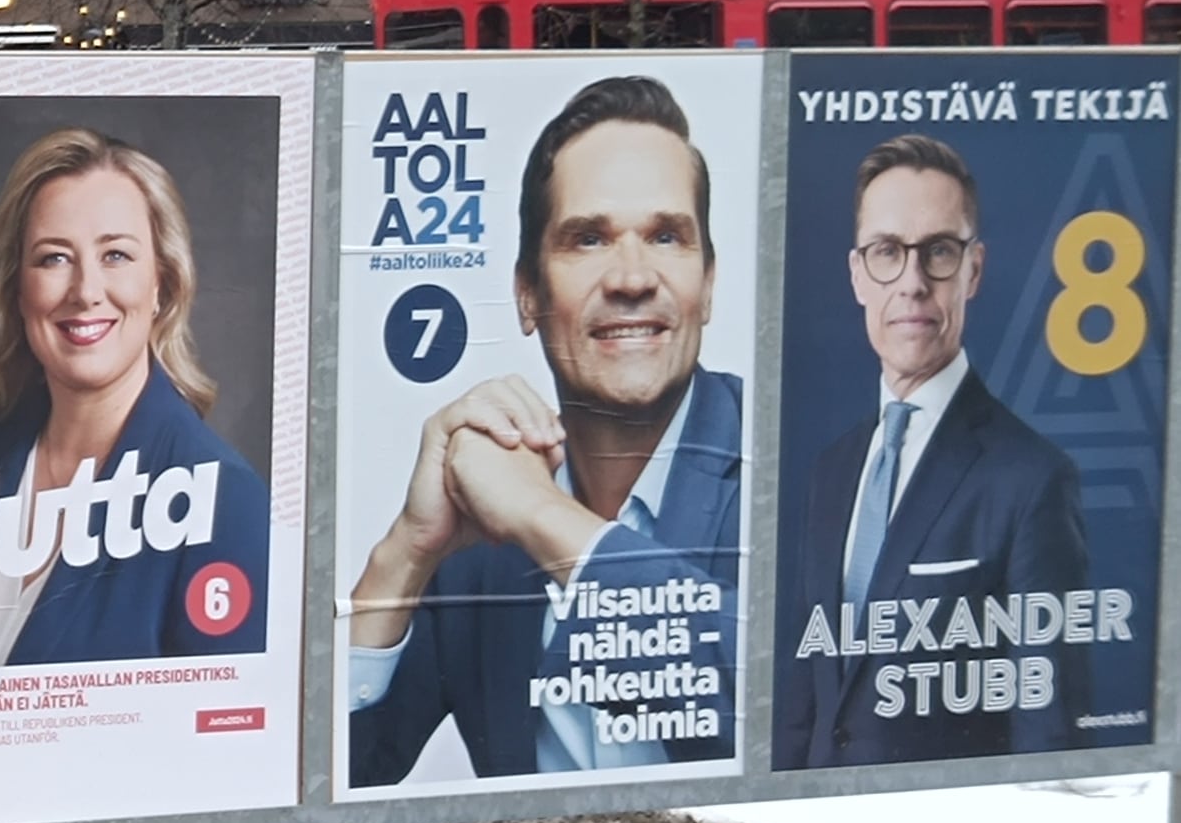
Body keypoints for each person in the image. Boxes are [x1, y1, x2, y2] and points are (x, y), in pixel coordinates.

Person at [345, 74, 745, 787]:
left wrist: (544, 518)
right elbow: (334, 773)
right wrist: (404, 551)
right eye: (588, 238)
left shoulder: (795, 462)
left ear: (707, 284)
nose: (631, 276)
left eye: (665, 235)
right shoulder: (478, 532)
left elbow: (779, 703)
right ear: (528, 294)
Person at [779, 132, 1090, 768]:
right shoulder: (831, 471)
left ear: (973, 270)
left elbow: (1047, 728)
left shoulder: (1032, 479)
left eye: (939, 252)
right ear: (857, 274)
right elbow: (806, 692)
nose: (913, 283)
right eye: (888, 252)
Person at [0, 130, 270, 669]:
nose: (85, 291)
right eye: (54, 259)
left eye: (116, 255)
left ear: (161, 285)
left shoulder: (221, 498)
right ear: (16, 288)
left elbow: (229, 734)